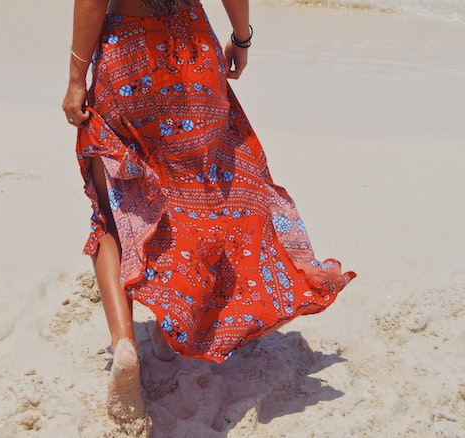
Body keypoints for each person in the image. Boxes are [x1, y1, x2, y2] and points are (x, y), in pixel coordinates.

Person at [62, 0, 355, 433]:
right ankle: (169, 325)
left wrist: (75, 77)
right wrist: (241, 38)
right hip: (193, 53)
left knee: (116, 208)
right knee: (197, 196)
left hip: (128, 54)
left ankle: (125, 342)